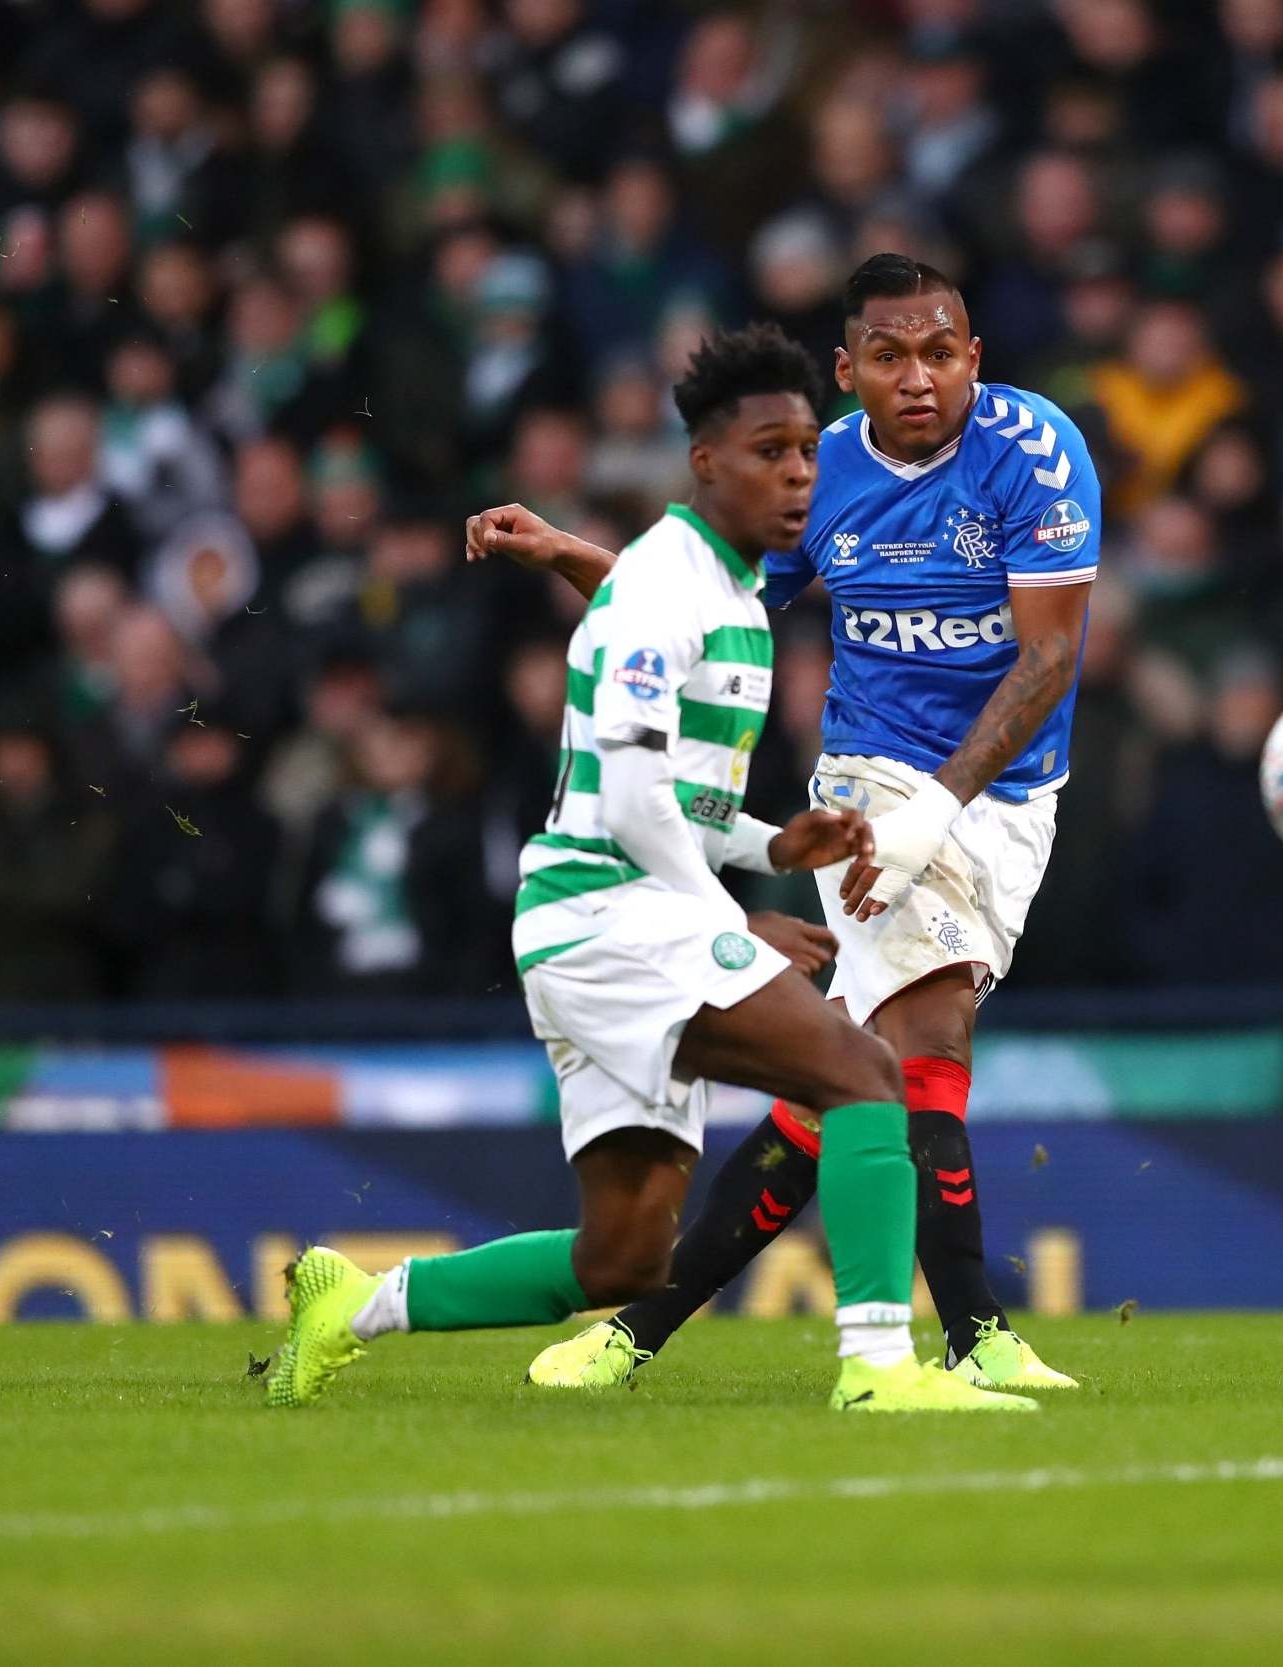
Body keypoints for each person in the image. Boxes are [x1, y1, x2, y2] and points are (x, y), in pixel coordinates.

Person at [267, 323, 1031, 1416]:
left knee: (622, 1258)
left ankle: (353, 1304)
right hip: (605, 916)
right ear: (705, 462)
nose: (799, 474)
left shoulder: (727, 598)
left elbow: (680, 802)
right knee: (862, 1073)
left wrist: (772, 845)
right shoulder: (664, 593)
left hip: (603, 921)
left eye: (809, 450)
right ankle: (878, 1368)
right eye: (771, 451)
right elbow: (629, 806)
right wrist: (735, 914)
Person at [468, 255, 1093, 1395]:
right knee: (926, 1041)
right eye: (891, 358)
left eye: (941, 352)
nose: (919, 378)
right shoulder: (818, 475)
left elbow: (1048, 655)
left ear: (975, 359)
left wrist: (945, 807)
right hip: (867, 779)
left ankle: (636, 1329)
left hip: (1004, 796)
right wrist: (571, 554)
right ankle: (972, 1333)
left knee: (835, 1091)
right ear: (848, 371)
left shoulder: (1035, 450)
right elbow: (695, 606)